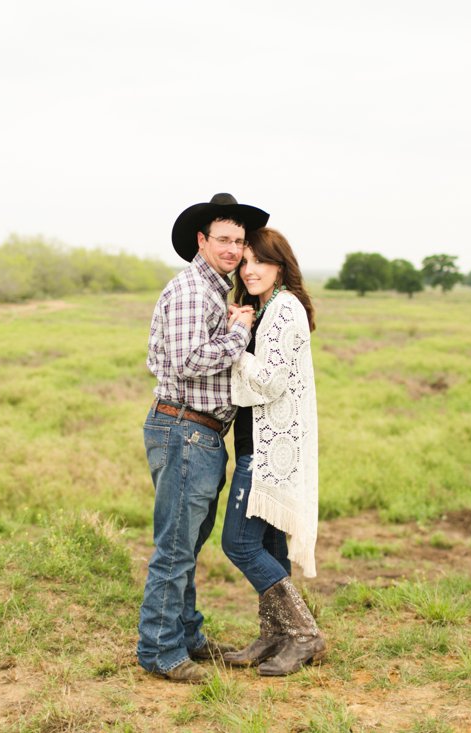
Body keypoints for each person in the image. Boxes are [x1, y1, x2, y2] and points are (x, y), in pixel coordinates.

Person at [137, 193, 270, 683]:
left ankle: (186, 635)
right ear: (202, 240)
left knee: (185, 543)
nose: (234, 249)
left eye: (239, 241)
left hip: (198, 432)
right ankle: (159, 650)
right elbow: (188, 361)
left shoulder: (214, 291)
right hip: (186, 428)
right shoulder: (194, 291)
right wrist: (239, 333)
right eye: (224, 239)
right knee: (175, 546)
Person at [220, 227, 325, 676]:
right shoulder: (267, 309)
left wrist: (235, 343)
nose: (251, 269)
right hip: (258, 442)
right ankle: (274, 634)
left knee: (239, 543)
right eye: (245, 262)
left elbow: (270, 381)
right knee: (267, 542)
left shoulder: (282, 309)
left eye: (261, 261)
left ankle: (304, 634)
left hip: (266, 451)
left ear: (280, 266)